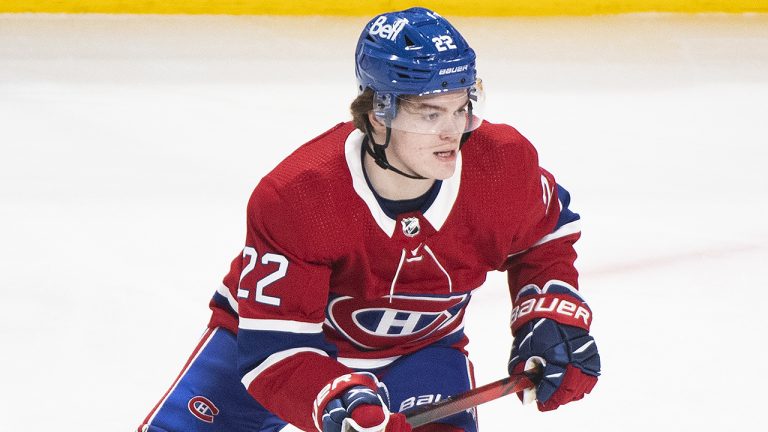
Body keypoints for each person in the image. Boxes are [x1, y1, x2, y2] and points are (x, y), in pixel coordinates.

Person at [138, 7, 601, 432]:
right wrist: (336, 400)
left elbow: (545, 232)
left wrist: (547, 308)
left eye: (462, 106)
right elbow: (275, 349)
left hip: (420, 349)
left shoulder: (500, 164)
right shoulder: (300, 196)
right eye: (428, 111)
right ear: (379, 113)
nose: (451, 131)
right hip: (281, 350)